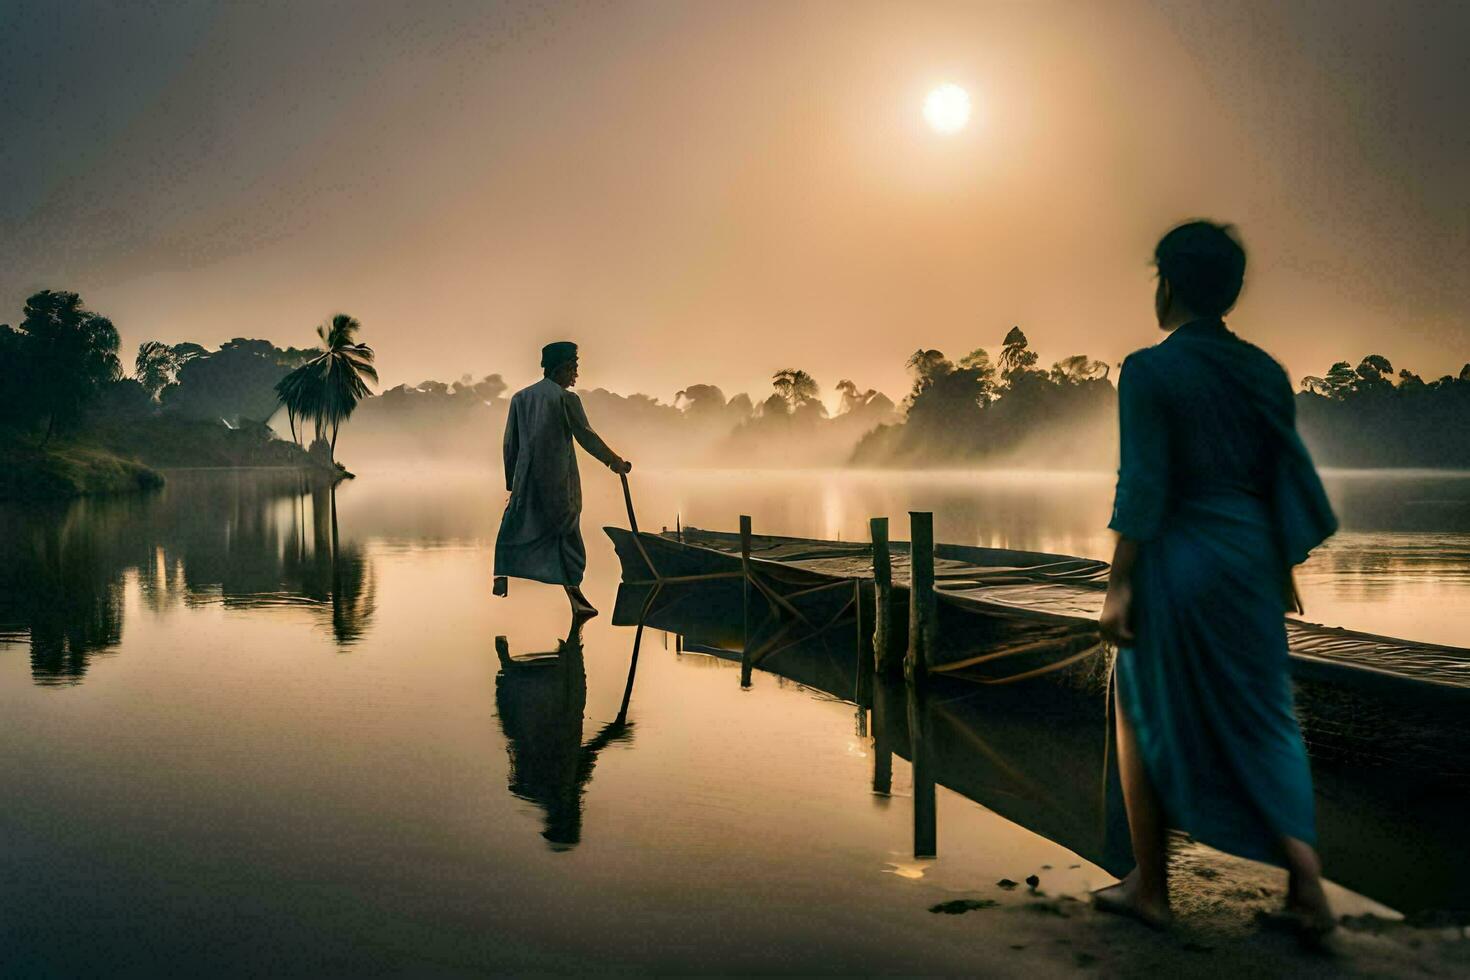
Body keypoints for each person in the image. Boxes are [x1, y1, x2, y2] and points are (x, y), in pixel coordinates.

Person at [1094, 221, 1339, 940]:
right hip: (1250, 560)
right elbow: (1278, 478)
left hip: (1181, 557)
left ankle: (1153, 891)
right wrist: (1282, 569)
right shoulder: (1264, 370)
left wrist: (1117, 585)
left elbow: (1143, 487)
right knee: (1265, 720)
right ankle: (1307, 887)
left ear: (1168, 284)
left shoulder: (1147, 369)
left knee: (1139, 708)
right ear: (1229, 289)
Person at [493, 341, 632, 617]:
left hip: (526, 483)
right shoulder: (566, 399)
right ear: (563, 368)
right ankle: (576, 597)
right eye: (574, 368)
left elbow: (510, 445)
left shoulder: (521, 398)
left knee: (516, 526)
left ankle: (501, 575)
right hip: (558, 482)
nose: (576, 375)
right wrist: (614, 461)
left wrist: (513, 482)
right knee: (567, 538)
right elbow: (586, 436)